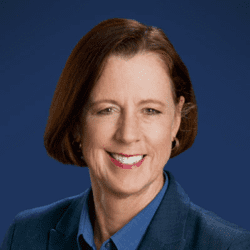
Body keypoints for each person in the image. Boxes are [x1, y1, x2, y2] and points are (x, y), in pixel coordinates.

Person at [1, 18, 249, 250]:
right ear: (77, 122)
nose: (128, 135)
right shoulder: (25, 235)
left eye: (150, 110)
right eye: (107, 110)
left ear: (175, 120)